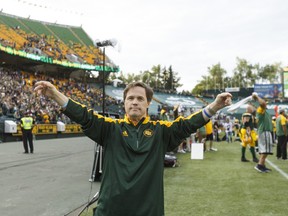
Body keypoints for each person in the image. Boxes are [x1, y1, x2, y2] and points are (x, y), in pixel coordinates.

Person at [34, 80, 232, 216]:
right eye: (130, 98)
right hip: (110, 211)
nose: (135, 102)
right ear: (124, 103)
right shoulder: (110, 129)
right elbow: (84, 115)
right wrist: (55, 94)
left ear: (148, 104)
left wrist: (214, 106)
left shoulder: (161, 131)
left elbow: (187, 124)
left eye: (140, 99)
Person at [252, 93, 274, 173]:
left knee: (265, 150)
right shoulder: (260, 109)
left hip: (264, 131)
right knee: (265, 150)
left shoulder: (264, 111)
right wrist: (257, 97)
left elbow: (263, 104)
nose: (266, 104)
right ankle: (259, 165)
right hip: (264, 131)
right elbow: (263, 103)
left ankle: (262, 165)